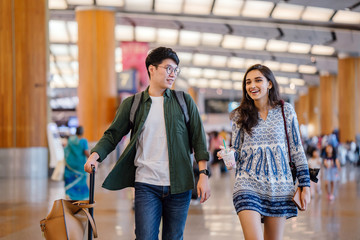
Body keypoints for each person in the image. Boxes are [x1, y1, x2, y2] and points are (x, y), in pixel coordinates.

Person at [84, 47, 211, 240]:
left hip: (180, 185)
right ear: (151, 69)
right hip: (146, 183)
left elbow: (199, 140)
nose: (173, 74)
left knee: (174, 237)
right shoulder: (132, 104)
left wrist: (203, 175)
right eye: (168, 68)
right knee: (144, 237)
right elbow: (113, 135)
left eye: (176, 70)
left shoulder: (184, 101)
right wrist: (95, 156)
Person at [218, 64, 311, 240]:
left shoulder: (286, 111)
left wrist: (305, 185)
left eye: (258, 80)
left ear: (269, 84)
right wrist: (228, 154)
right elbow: (236, 149)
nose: (252, 85)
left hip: (279, 186)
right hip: (248, 183)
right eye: (248, 82)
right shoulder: (240, 115)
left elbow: (297, 149)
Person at [64, 126, 90, 200]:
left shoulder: (70, 140)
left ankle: (69, 194)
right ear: (82, 132)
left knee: (71, 179)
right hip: (80, 165)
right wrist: (91, 158)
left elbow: (66, 150)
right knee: (81, 180)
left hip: (70, 164)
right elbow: (86, 152)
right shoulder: (83, 141)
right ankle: (81, 197)